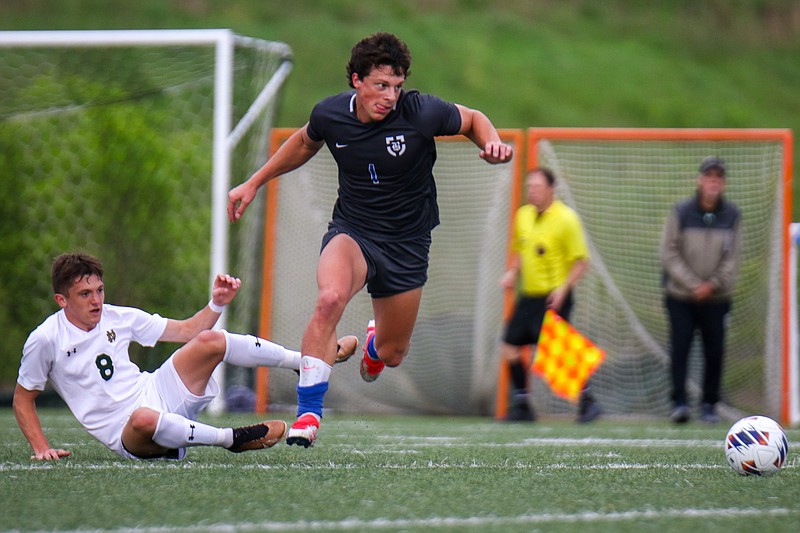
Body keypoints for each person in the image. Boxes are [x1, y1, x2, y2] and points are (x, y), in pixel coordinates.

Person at [227, 32, 513, 447]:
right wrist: (254, 182)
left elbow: (471, 119)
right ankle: (308, 413)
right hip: (354, 232)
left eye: (397, 87)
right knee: (329, 299)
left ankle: (376, 345)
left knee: (394, 355)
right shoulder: (331, 114)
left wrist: (490, 143)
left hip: (407, 244)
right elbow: (306, 142)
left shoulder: (420, 112)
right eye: (381, 86)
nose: (390, 97)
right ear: (357, 80)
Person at [13, 252, 358, 460]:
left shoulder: (118, 316)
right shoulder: (45, 339)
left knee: (209, 340)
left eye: (99, 290)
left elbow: (188, 332)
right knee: (145, 419)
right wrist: (42, 447)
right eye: (84, 294)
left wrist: (217, 303)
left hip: (157, 391)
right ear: (62, 300)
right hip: (126, 431)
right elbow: (23, 399)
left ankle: (305, 362)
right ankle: (232, 440)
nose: (96, 301)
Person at [498, 167, 600, 423]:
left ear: (551, 189)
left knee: (557, 353)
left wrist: (563, 289)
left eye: (537, 187)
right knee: (509, 347)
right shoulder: (523, 215)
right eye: (529, 187)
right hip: (528, 296)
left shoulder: (567, 219)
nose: (532, 192)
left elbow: (581, 262)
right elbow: (520, 249)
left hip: (554, 297)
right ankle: (522, 405)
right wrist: (512, 272)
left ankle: (588, 402)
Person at [661, 156, 742, 424]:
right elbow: (669, 252)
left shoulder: (732, 215)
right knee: (680, 348)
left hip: (717, 298)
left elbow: (733, 258)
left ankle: (709, 404)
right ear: (699, 180)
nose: (713, 182)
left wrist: (712, 285)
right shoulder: (682, 211)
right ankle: (679, 404)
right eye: (709, 176)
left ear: (724, 183)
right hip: (681, 296)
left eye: (718, 178)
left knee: (715, 350)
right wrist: (694, 284)